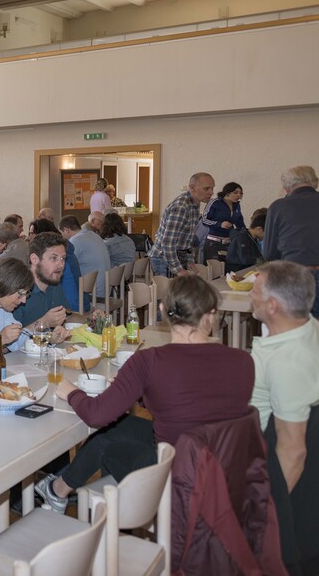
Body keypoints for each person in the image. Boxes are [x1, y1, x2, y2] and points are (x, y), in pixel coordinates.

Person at [40, 275, 254, 514]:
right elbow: (198, 402)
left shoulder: (150, 361)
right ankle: (58, 490)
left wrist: (72, 392)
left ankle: (102, 510)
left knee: (107, 444)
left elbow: (96, 415)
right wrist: (146, 393)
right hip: (227, 470)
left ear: (162, 310)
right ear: (212, 314)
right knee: (113, 429)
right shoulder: (243, 361)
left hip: (175, 478)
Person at [249, 261, 319, 492]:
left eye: (255, 291)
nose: (250, 295)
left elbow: (293, 452)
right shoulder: (309, 327)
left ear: (272, 306)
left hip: (262, 459)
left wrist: (268, 507)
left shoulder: (286, 365)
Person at [263, 166, 319, 318]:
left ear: (286, 187)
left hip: (294, 275)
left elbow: (269, 253)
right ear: (315, 182)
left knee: (296, 323)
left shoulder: (278, 206)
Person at [149, 172, 215, 277]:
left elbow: (188, 238)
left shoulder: (195, 203)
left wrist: (190, 260)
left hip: (177, 254)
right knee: (169, 288)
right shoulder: (181, 207)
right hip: (164, 257)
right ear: (192, 188)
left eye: (212, 188)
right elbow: (167, 243)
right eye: (206, 189)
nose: (211, 192)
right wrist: (178, 270)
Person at [12, 232, 71, 338]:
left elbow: (68, 316)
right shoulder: (17, 290)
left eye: (63, 258)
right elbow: (9, 341)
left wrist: (92, 319)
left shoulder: (53, 282)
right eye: (54, 258)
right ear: (34, 259)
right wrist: (44, 322)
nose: (61, 264)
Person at [60, 215, 111, 299]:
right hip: (106, 288)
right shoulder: (94, 235)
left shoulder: (75, 240)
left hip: (93, 292)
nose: (62, 236)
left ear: (66, 230)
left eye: (62, 233)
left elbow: (65, 264)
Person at [200, 181, 245, 262]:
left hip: (229, 242)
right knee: (214, 267)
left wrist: (246, 234)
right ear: (227, 193)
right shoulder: (215, 202)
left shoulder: (237, 205)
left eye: (240, 193)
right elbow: (204, 220)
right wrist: (219, 224)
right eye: (235, 193)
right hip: (213, 242)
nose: (239, 195)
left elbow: (240, 223)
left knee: (228, 267)